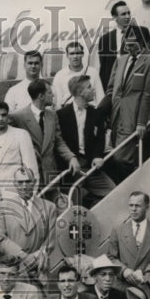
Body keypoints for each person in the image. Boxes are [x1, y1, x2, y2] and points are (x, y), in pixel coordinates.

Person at [107, 35, 150, 177]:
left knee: (121, 158)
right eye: (126, 45)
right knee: (115, 157)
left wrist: (141, 122)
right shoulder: (121, 61)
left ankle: (124, 187)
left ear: (142, 43)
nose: (129, 48)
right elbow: (111, 88)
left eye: (132, 45)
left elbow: (149, 95)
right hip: (116, 116)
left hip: (134, 116)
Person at [55, 75, 116, 206]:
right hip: (71, 168)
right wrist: (70, 159)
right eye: (89, 87)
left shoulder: (96, 114)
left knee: (113, 192)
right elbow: (59, 142)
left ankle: (91, 205)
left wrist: (97, 156)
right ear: (80, 92)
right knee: (74, 200)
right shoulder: (62, 115)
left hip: (91, 166)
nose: (93, 89)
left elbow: (100, 139)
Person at [9, 79, 79, 186]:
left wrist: (71, 157)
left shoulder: (52, 115)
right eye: (50, 93)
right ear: (41, 96)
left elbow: (58, 141)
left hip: (50, 173)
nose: (53, 96)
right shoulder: (18, 117)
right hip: (29, 175)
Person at [0, 168, 57, 283]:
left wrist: (37, 258)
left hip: (39, 270)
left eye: (28, 181)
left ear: (34, 182)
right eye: (20, 182)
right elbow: (0, 238)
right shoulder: (2, 207)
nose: (24, 186)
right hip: (12, 270)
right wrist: (25, 257)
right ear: (14, 184)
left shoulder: (49, 207)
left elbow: (50, 241)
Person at [106, 191, 150, 297]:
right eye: (131, 205)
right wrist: (124, 271)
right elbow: (111, 257)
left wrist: (147, 276)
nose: (133, 209)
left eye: (137, 206)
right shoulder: (118, 230)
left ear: (147, 207)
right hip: (124, 288)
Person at [0, 101, 38, 198]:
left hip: (14, 193)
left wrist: (31, 195)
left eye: (3, 115)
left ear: (8, 116)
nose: (0, 118)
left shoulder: (21, 135)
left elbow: (31, 168)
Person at [94, 1, 150, 93]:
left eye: (128, 13)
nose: (127, 16)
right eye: (123, 14)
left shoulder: (142, 32)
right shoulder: (105, 39)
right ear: (114, 17)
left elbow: (149, 58)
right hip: (114, 85)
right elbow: (104, 67)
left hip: (136, 81)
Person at [51, 41, 104, 109]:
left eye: (78, 53)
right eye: (72, 53)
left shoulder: (93, 72)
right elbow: (57, 102)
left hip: (89, 111)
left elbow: (100, 97)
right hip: (68, 112)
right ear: (67, 55)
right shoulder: (60, 75)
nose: (75, 56)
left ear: (83, 54)